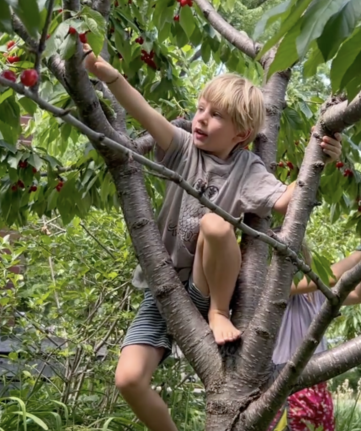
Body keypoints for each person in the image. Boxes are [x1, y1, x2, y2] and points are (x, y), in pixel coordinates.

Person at [83, 47, 342, 431]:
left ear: (241, 133)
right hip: (162, 288)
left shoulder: (247, 168)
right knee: (129, 380)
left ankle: (218, 313)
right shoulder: (183, 147)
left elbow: (288, 202)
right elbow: (145, 113)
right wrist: (109, 76)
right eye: (201, 109)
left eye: (215, 115)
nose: (201, 119)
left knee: (216, 226)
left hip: (206, 282)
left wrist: (322, 161)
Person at [269, 224, 361, 431]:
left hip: (316, 384)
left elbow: (358, 296)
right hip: (283, 384)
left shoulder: (314, 293)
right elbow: (329, 276)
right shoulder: (275, 287)